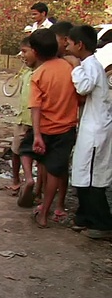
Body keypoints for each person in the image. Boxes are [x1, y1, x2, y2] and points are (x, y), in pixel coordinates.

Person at [18, 29, 79, 228]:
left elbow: (36, 107)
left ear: (35, 51)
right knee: (55, 169)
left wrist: (36, 135)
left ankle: (28, 178)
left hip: (45, 128)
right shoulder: (69, 68)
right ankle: (44, 213)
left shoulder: (39, 75)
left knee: (24, 150)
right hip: (66, 129)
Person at [65, 25, 112, 238]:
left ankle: (101, 223)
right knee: (82, 172)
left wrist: (75, 66)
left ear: (79, 45)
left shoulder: (90, 65)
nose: (66, 46)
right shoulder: (90, 64)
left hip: (96, 130)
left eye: (69, 43)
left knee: (93, 176)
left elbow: (83, 87)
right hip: (91, 127)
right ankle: (84, 216)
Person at [11, 37, 35, 198]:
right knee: (16, 150)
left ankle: (30, 181)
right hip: (22, 117)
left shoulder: (39, 72)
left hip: (35, 120)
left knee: (30, 152)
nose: (22, 56)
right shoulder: (26, 71)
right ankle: (16, 180)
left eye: (25, 52)